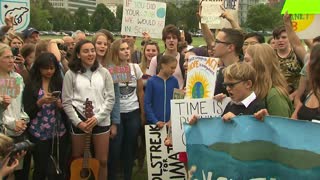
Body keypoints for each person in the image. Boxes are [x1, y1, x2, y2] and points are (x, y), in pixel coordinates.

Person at [62, 40, 115, 180]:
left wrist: (98, 117)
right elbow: (66, 102)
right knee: (78, 159)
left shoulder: (104, 72)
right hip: (79, 121)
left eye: (92, 50)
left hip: (101, 120)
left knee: (102, 161)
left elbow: (110, 99)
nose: (90, 54)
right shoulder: (70, 74)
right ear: (78, 55)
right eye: (86, 51)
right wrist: (78, 123)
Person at [23, 52, 68, 180]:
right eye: (45, 68)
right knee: (40, 166)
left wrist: (61, 105)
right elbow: (27, 112)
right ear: (39, 68)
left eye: (52, 68)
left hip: (58, 131)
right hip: (38, 132)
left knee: (58, 165)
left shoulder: (60, 83)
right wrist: (39, 102)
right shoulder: (31, 85)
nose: (49, 71)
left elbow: (68, 106)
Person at [107, 39, 144, 180]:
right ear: (116, 52)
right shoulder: (110, 69)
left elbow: (140, 92)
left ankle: (127, 176)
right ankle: (112, 176)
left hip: (133, 112)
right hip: (117, 115)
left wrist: (142, 113)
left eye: (127, 48)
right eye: (122, 49)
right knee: (115, 148)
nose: (126, 51)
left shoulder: (135, 68)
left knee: (130, 147)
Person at [0, 43, 30, 180]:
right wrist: (11, 123)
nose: (11, 60)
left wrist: (23, 120)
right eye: (7, 57)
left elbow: (19, 106)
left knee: (15, 170)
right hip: (3, 134)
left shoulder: (17, 78)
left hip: (18, 131)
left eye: (12, 57)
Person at [244, 44, 293, 118]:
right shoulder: (253, 91)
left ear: (260, 64)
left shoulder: (274, 95)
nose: (243, 65)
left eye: (247, 61)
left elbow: (281, 127)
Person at [144, 55, 179, 125]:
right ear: (163, 65)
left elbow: (177, 102)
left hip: (170, 124)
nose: (174, 70)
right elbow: (147, 104)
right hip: (154, 124)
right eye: (172, 68)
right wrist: (155, 121)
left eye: (175, 68)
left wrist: (172, 120)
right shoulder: (151, 81)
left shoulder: (174, 81)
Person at [149, 24, 185, 89]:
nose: (171, 40)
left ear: (178, 40)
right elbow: (151, 83)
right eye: (168, 38)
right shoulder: (156, 60)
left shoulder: (184, 59)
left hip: (179, 97)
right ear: (164, 41)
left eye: (174, 38)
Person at [296, 44, 320, 120]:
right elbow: (291, 126)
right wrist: (267, 120)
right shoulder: (312, 92)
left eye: (309, 61)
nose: (306, 66)